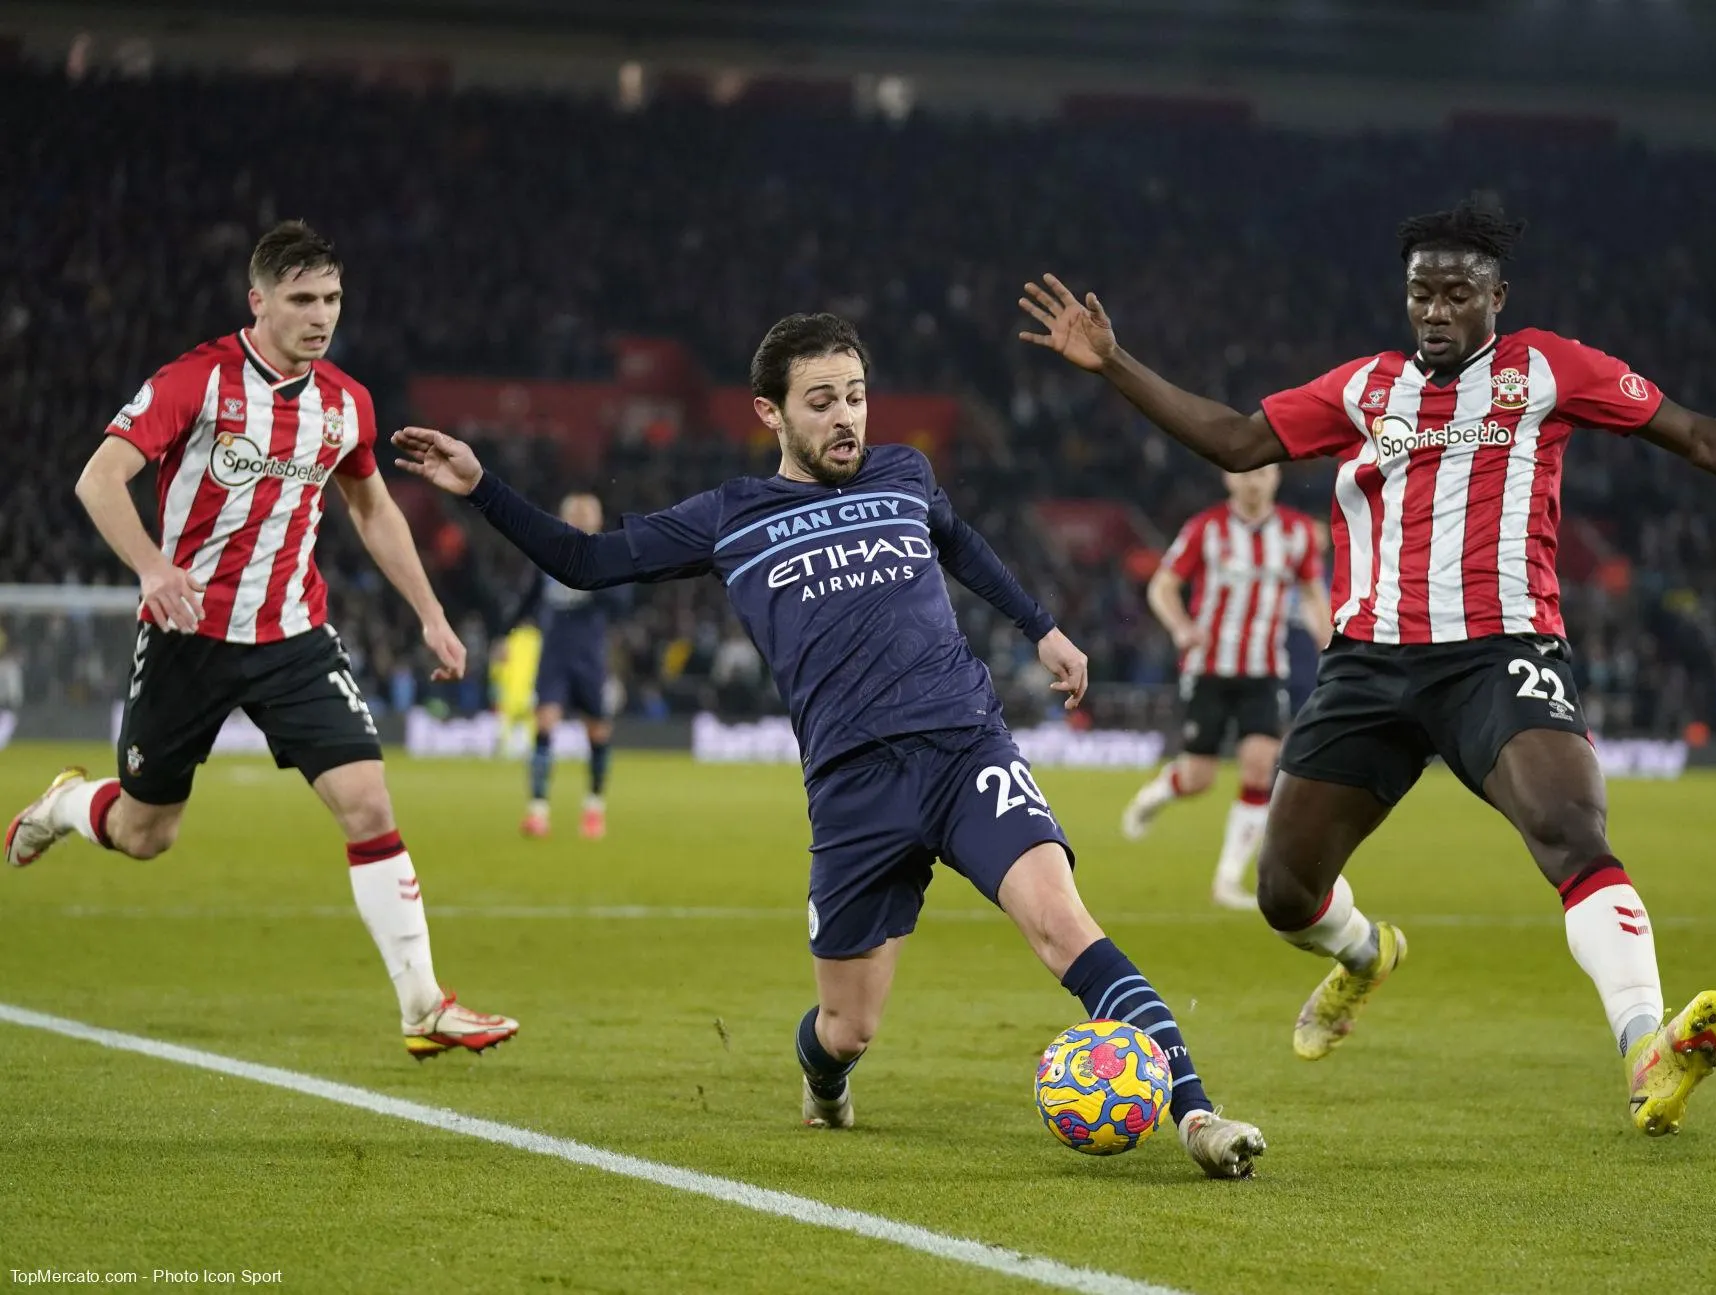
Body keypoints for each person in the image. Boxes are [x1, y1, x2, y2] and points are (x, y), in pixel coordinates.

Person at [1018, 200, 1716, 1135]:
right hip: (1368, 667)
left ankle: (1645, 1049)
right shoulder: (1362, 389)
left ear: (1498, 297)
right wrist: (1115, 364)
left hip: (1501, 653)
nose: (1436, 311)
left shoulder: (1548, 368)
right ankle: (1366, 954)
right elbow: (1232, 437)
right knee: (1284, 892)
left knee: (1571, 831)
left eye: (1458, 293)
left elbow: (1694, 433)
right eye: (1422, 292)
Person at [394, 312, 1265, 1176]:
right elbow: (585, 561)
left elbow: (960, 542)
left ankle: (1195, 1113)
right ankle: (823, 1078)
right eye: (821, 401)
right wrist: (481, 488)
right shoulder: (729, 516)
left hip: (966, 747)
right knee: (849, 1027)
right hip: (853, 785)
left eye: (855, 396)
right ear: (769, 413)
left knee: (1065, 928)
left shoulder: (905, 473)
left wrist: (1041, 626)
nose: (847, 416)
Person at [4, 220, 517, 1061]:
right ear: (260, 301)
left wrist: (429, 611)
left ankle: (423, 1004)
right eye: (304, 299)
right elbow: (98, 477)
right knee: (146, 834)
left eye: (334, 299)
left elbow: (372, 508)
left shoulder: (346, 401)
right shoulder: (198, 381)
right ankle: (64, 804)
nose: (322, 316)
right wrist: (151, 567)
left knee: (368, 803)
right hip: (186, 635)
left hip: (292, 634)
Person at [1121, 466, 1332, 909]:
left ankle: (1228, 881)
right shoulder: (1206, 529)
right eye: (1246, 474)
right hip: (1209, 668)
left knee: (1259, 766)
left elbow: (1313, 594)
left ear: (1275, 478)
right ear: (1228, 479)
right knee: (1199, 778)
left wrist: (1329, 641)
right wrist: (1181, 627)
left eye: (1263, 473)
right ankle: (1157, 793)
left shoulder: (1296, 534)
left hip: (1264, 669)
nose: (1254, 481)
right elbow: (1163, 586)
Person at [508, 492, 632, 839]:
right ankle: (537, 811)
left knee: (598, 731)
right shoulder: (548, 557)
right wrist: (506, 635)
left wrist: (594, 580)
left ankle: (594, 808)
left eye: (585, 513)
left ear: (597, 519)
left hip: (590, 655)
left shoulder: (607, 559)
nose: (579, 518)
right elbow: (527, 600)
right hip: (554, 654)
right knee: (544, 723)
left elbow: (622, 603)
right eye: (573, 513)